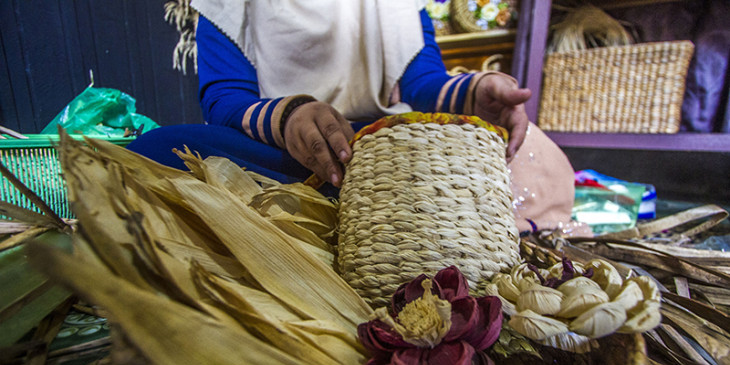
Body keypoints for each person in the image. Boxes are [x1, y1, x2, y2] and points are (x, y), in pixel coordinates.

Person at [129, 0, 583, 234]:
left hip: (382, 142)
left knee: (535, 152)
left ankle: (359, 208)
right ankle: (415, 212)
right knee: (154, 152)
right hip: (282, 149)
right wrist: (290, 117)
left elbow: (423, 82)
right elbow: (225, 101)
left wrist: (473, 94)